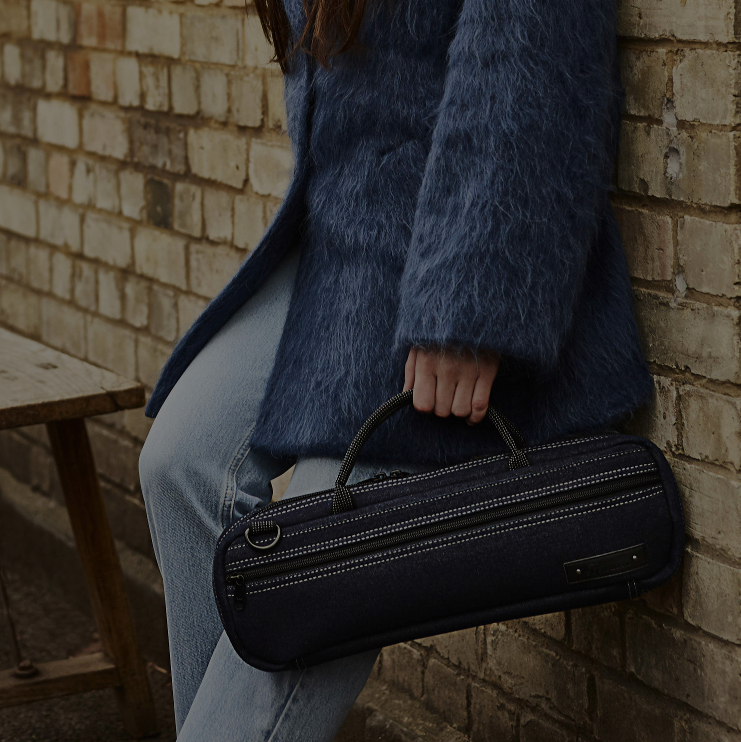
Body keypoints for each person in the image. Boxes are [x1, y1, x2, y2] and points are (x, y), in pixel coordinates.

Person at [139, 0, 654, 738]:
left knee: (322, 551)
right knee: (181, 460)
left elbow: (530, 47)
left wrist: (470, 303)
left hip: (441, 246)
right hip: (336, 243)